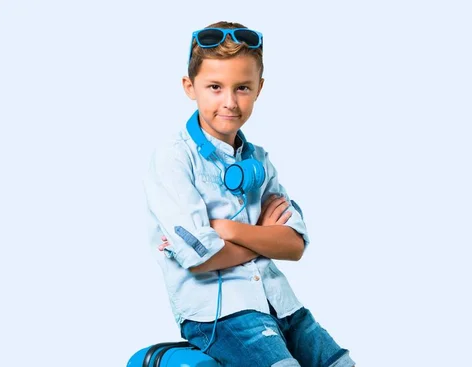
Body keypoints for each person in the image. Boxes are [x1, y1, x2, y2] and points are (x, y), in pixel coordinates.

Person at [142, 20, 355, 367]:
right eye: (214, 86)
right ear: (189, 86)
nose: (230, 102)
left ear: (259, 89)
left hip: (280, 303)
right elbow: (200, 258)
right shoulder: (173, 158)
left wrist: (229, 230)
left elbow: (295, 245)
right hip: (219, 314)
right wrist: (263, 236)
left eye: (242, 87)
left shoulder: (259, 160)